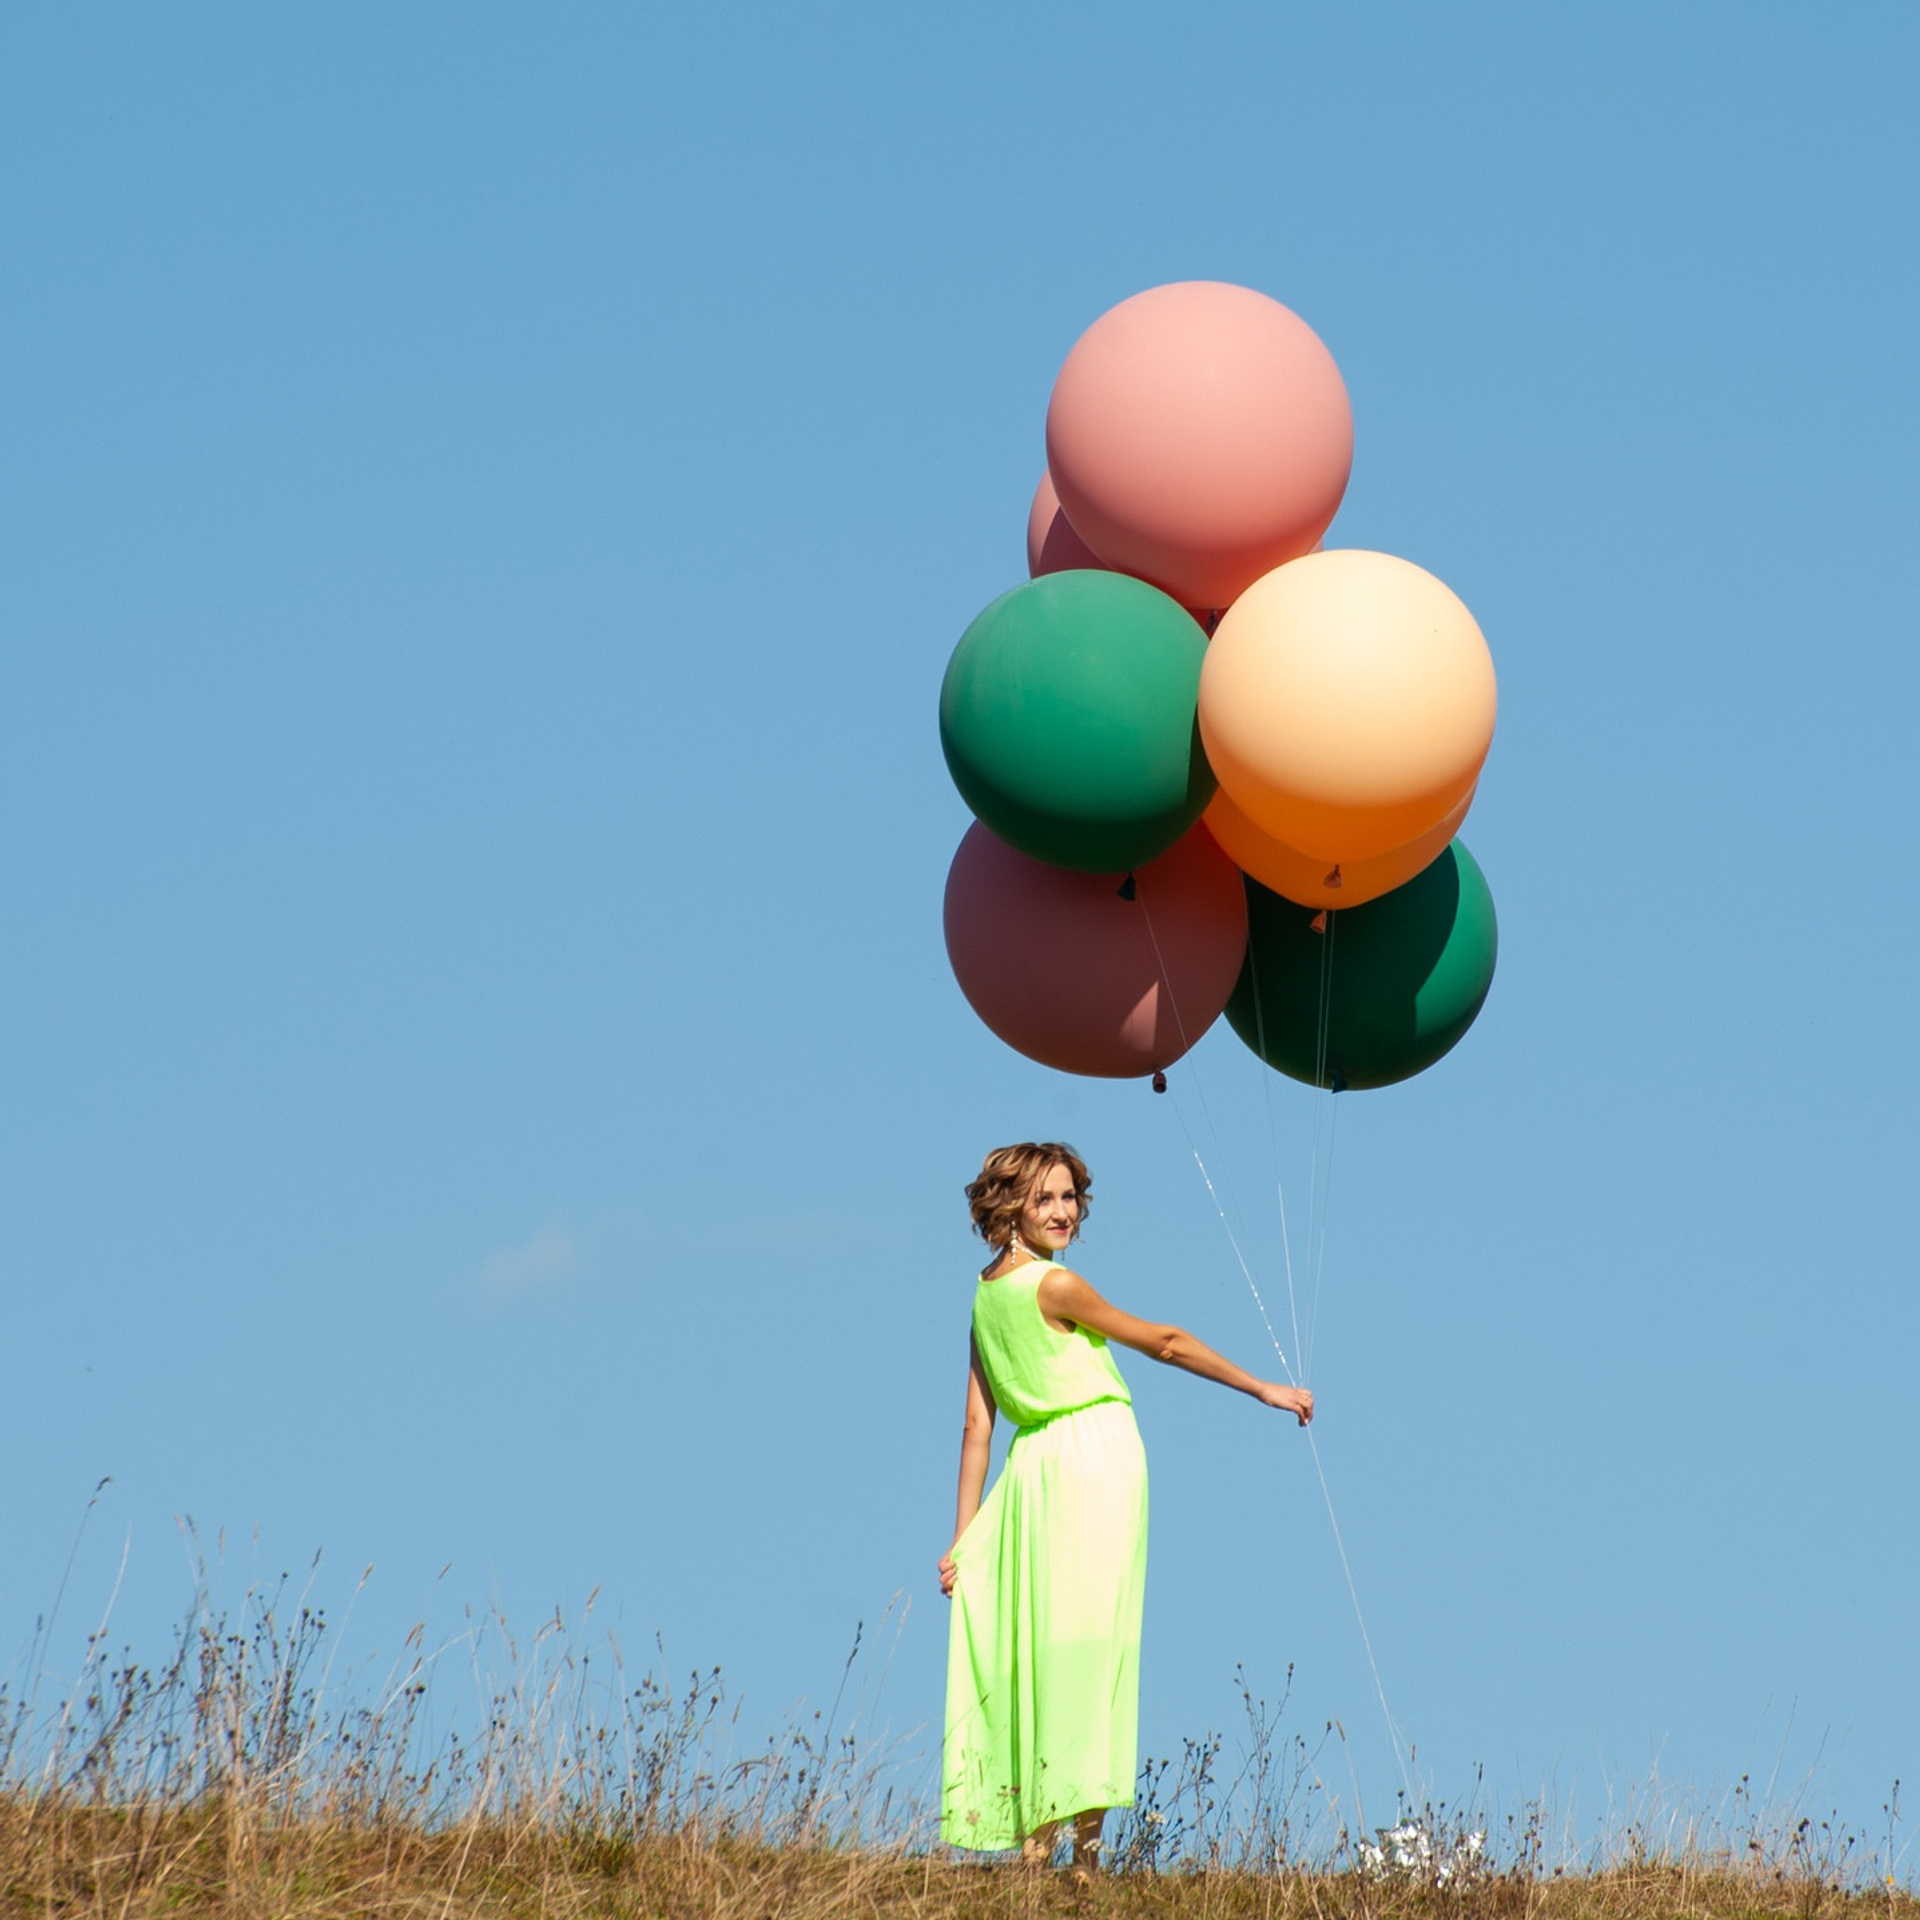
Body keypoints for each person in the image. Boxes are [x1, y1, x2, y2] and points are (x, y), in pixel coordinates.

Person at [938, 1141, 1313, 1870]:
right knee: (1091, 1651)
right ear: (1008, 1206)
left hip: (1031, 1473)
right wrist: (1262, 1387)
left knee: (1043, 1651)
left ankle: (1037, 1849)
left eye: (1070, 1196)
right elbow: (1163, 1343)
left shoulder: (985, 1295)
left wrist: (963, 1538)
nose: (1061, 1211)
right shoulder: (1055, 1287)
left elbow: (978, 1428)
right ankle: (1078, 1860)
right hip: (1089, 1462)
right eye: (1044, 1198)